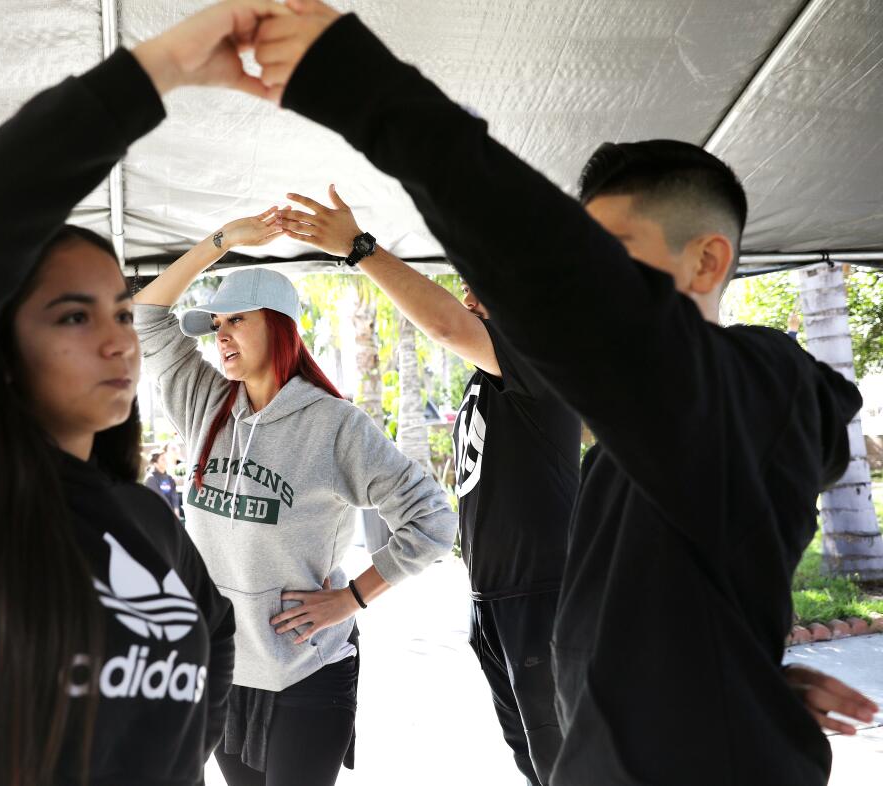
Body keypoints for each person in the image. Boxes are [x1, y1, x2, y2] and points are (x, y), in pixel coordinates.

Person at [247, 3, 876, 784]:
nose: (579, 289)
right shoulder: (639, 448)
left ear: (708, 262)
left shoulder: (755, 385)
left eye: (608, 259)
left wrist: (363, 87)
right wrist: (742, 679)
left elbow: (514, 278)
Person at [0, 3, 295, 783]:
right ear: (0, 350)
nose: (118, 339)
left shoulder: (145, 516)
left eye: (120, 310)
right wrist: (158, 72)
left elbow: (213, 637)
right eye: (72, 316)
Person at [132, 216, 457, 786]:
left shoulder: (335, 428)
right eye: (215, 325)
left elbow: (431, 520)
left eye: (237, 320)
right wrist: (223, 243)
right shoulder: (204, 402)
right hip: (225, 670)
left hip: (306, 675)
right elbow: (146, 315)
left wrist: (352, 597)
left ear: (279, 327)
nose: (220, 335)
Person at [279, 185, 578, 785]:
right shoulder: (493, 378)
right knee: (539, 763)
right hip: (496, 600)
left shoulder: (539, 355)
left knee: (567, 764)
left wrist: (359, 249)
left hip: (540, 597)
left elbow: (443, 325)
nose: (467, 299)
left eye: (480, 287)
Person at [145, 449, 183, 518]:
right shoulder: (151, 479)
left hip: (171, 513)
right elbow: (160, 499)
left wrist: (176, 510)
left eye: (165, 459)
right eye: (163, 459)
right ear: (155, 464)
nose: (166, 461)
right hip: (158, 514)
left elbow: (174, 495)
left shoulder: (169, 477)